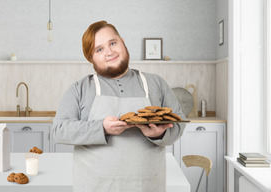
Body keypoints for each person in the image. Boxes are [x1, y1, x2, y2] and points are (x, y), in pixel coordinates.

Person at [53, 20, 186, 192]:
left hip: (147, 186)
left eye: (113, 43)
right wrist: (102, 128)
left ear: (122, 42)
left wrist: (159, 135)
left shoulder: (156, 83)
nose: (109, 52)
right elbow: (60, 130)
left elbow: (178, 122)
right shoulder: (80, 88)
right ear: (91, 58)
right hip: (94, 186)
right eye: (99, 49)